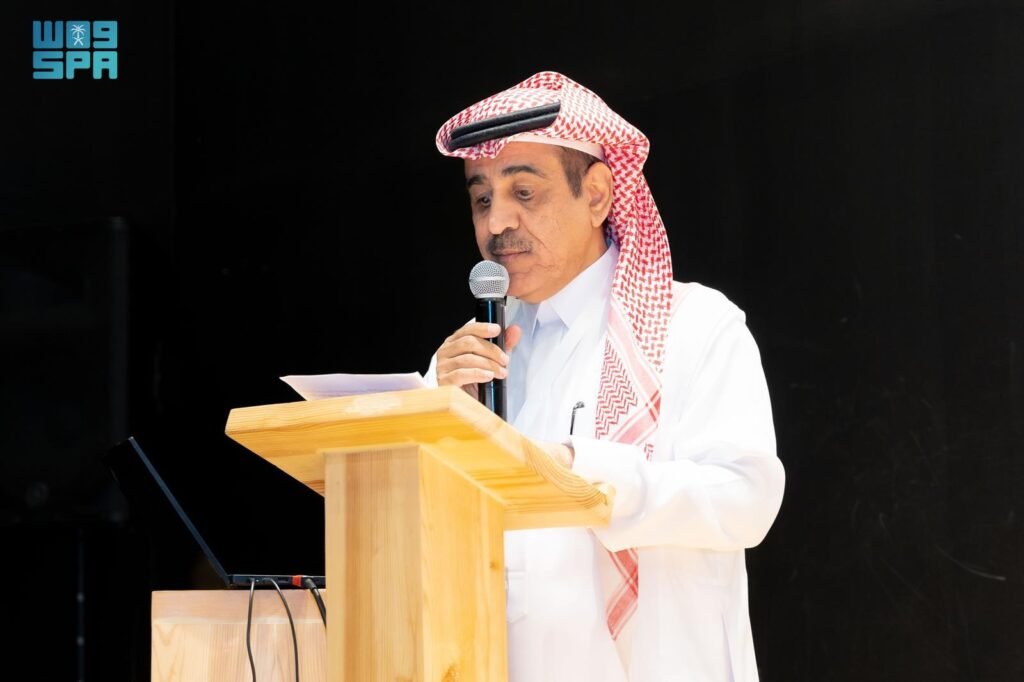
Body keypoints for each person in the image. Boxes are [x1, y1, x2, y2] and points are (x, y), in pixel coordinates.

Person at [422, 72, 785, 682]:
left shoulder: (693, 325)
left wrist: (585, 473)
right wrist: (436, 412)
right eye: (482, 199)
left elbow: (747, 500)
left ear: (596, 195)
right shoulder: (471, 359)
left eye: (524, 192)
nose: (497, 223)